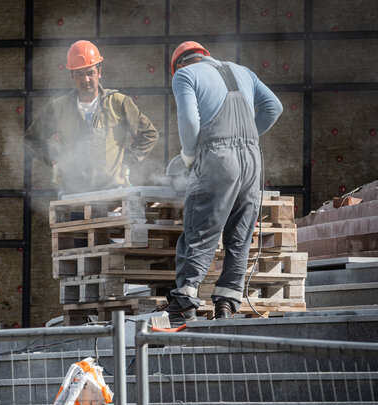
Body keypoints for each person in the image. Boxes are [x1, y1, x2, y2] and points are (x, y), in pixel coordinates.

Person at [165, 41, 283, 326]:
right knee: (240, 237)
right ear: (205, 56)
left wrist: (190, 156)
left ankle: (183, 304)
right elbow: (274, 107)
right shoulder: (243, 71)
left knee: (200, 230)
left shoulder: (185, 75)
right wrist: (246, 139)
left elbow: (190, 121)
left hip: (218, 160)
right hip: (252, 163)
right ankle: (227, 306)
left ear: (178, 65)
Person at [24, 40, 158, 196]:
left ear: (99, 72)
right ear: (71, 76)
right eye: (79, 74)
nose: (85, 79)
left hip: (112, 193)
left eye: (90, 73)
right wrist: (53, 158)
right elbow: (31, 138)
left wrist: (127, 159)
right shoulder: (58, 107)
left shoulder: (118, 103)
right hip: (72, 193)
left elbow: (149, 134)